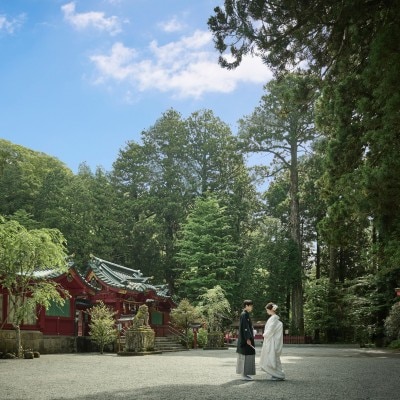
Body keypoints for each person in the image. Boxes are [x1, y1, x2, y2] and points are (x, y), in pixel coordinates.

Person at [259, 302, 285, 380]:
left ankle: (279, 375)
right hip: (272, 340)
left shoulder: (273, 318)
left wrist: (264, 334)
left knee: (273, 357)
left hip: (272, 341)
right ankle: (276, 374)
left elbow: (271, 329)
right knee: (273, 358)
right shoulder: (275, 318)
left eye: (267, 310)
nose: (267, 311)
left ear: (271, 310)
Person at [236, 300, 256, 381]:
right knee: (245, 355)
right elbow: (245, 328)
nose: (252, 307)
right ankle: (244, 374)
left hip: (245, 339)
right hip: (245, 340)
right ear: (246, 306)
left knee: (247, 355)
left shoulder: (245, 314)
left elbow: (248, 327)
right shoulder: (244, 314)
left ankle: (246, 373)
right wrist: (248, 338)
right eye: (251, 306)